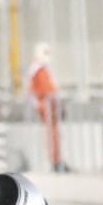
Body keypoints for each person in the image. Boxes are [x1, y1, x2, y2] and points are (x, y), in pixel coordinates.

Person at [24, 43, 65, 173]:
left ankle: (56, 160)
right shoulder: (40, 70)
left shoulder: (36, 69)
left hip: (45, 105)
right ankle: (55, 161)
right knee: (52, 135)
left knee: (53, 134)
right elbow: (47, 89)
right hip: (46, 105)